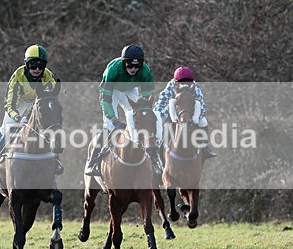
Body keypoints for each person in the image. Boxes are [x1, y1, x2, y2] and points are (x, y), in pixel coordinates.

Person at [0, 44, 63, 173]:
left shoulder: (49, 77)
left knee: (47, 126)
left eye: (40, 66)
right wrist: (18, 117)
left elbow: (50, 98)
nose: (36, 69)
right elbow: (10, 103)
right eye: (32, 65)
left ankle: (55, 158)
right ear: (26, 64)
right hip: (19, 102)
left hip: (38, 101)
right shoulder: (18, 76)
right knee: (7, 127)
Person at [84, 44, 162, 176]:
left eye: (137, 66)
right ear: (123, 63)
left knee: (141, 120)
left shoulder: (145, 72)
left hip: (130, 90)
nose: (133, 69)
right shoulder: (113, 70)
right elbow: (105, 100)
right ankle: (91, 162)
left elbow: (147, 100)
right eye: (130, 66)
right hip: (111, 92)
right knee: (108, 126)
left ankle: (154, 160)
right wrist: (114, 120)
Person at [153, 66, 217, 159]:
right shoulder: (171, 86)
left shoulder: (195, 88)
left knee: (203, 122)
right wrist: (170, 113)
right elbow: (159, 106)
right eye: (182, 82)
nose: (185, 85)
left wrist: (195, 117)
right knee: (164, 122)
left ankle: (205, 148)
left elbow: (202, 106)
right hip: (173, 113)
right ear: (176, 82)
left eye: (187, 82)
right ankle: (159, 149)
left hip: (191, 113)